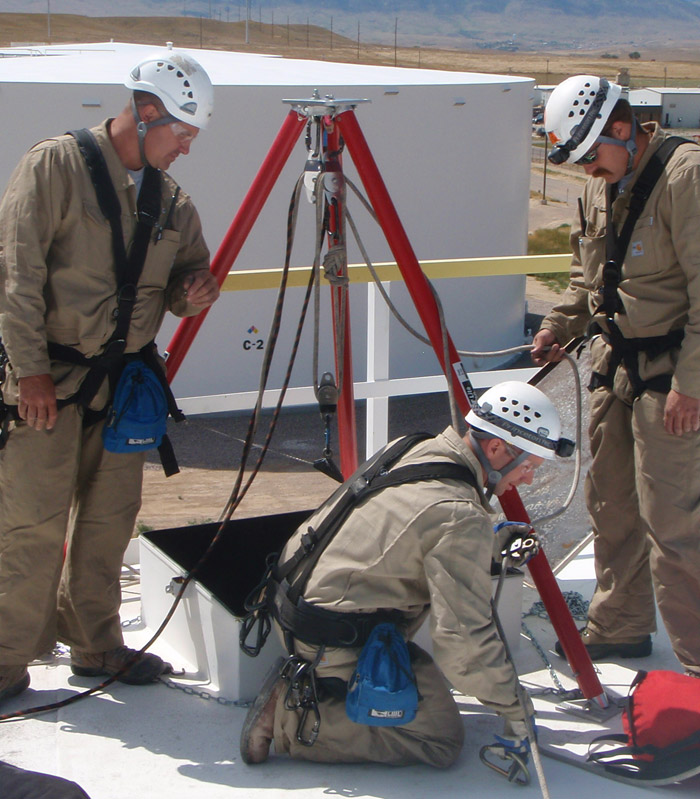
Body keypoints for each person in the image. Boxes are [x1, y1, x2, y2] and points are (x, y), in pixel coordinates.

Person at [0, 49, 220, 705]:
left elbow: (185, 281)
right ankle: (6, 658)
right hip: (46, 384)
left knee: (109, 522)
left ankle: (97, 644)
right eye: (180, 134)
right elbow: (16, 278)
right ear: (146, 111)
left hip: (122, 391)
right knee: (30, 524)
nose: (185, 150)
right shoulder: (54, 168)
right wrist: (29, 372)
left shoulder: (173, 203)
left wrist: (193, 290)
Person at [239, 381, 572, 769]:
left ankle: (314, 682)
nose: (529, 479)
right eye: (529, 465)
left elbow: (410, 531)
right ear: (496, 448)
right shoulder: (460, 513)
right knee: (438, 739)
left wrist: (488, 546)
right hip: (330, 641)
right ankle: (287, 719)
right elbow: (463, 643)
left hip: (291, 607)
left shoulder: (413, 446)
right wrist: (516, 708)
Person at [532, 75, 700, 677]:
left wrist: (691, 386)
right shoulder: (606, 182)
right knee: (611, 505)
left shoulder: (686, 177)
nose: (587, 170)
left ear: (623, 130)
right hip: (615, 367)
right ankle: (621, 624)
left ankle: (697, 666)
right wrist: (559, 324)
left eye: (591, 155)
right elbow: (591, 275)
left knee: (674, 526)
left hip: (672, 379)